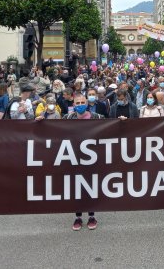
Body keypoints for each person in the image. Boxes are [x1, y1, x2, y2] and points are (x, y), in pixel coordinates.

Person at [64, 93, 103, 230]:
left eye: (82, 103)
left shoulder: (97, 117)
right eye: (77, 103)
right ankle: (78, 217)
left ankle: (92, 215)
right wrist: (39, 121)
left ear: (86, 104)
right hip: (73, 158)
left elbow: (112, 129)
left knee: (90, 187)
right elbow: (51, 130)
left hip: (92, 159)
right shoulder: (67, 118)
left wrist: (122, 121)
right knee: (76, 189)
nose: (80, 105)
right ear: (73, 105)